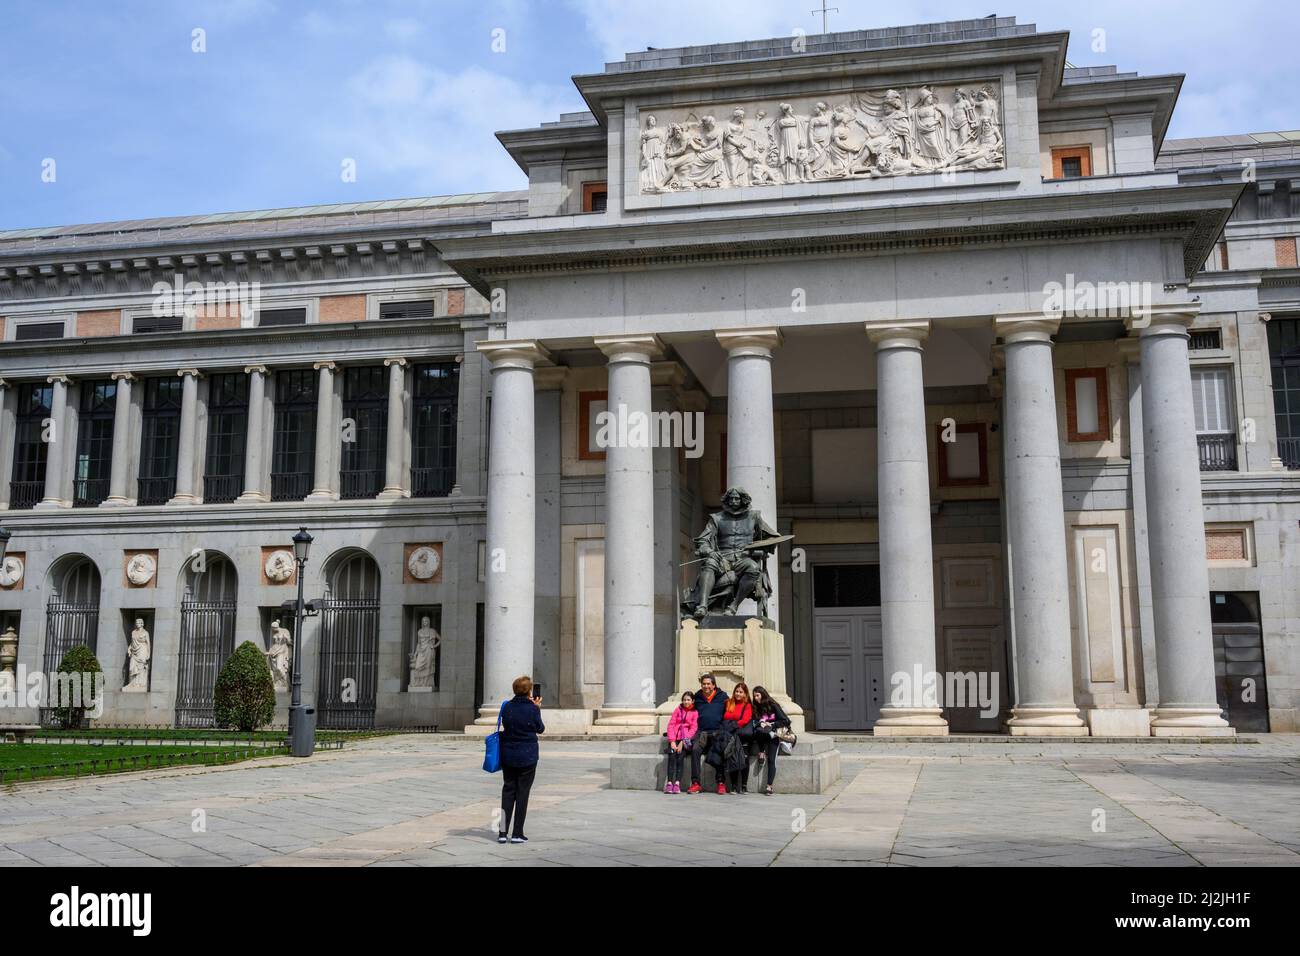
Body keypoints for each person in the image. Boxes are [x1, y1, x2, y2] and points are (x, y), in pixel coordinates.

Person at [498, 675, 545, 844]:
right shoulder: (532, 709)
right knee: (522, 793)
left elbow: (508, 725)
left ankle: (502, 832)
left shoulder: (507, 707)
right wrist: (537, 709)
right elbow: (540, 729)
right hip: (528, 755)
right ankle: (517, 833)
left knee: (507, 792)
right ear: (529, 691)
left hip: (508, 755)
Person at [687, 673, 729, 794]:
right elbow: (686, 710)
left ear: (714, 685)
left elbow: (730, 712)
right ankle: (696, 783)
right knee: (695, 750)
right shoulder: (697, 697)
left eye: (708, 684)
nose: (706, 686)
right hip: (701, 732)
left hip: (717, 732)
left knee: (719, 751)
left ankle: (721, 783)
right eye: (703, 684)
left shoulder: (722, 697)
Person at [749, 685, 792, 796]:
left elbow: (786, 720)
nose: (756, 698)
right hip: (762, 736)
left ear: (763, 694)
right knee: (759, 730)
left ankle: (769, 786)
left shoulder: (773, 706)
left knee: (772, 760)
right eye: (754, 696)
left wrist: (771, 724)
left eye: (758, 695)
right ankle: (761, 751)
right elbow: (754, 721)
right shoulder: (755, 708)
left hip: (774, 735)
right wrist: (760, 723)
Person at [718, 682, 754, 795]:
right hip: (730, 735)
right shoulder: (728, 703)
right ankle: (733, 786)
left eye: (741, 692)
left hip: (741, 735)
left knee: (744, 759)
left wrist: (733, 725)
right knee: (731, 758)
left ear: (745, 694)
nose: (738, 694)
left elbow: (745, 719)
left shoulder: (747, 705)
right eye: (736, 691)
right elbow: (724, 716)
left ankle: (744, 785)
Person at [663, 692, 698, 794]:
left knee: (680, 758)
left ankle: (677, 783)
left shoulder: (695, 712)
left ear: (692, 701)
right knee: (672, 757)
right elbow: (671, 725)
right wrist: (672, 741)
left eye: (688, 700)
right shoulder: (678, 710)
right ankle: (669, 783)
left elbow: (693, 728)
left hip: (685, 741)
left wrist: (683, 742)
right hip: (674, 739)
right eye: (684, 700)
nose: (686, 702)